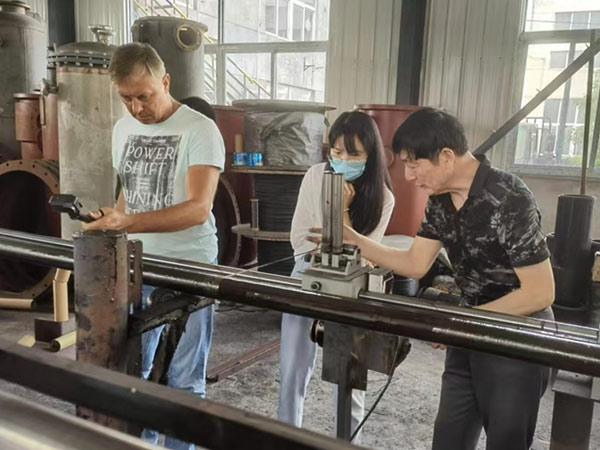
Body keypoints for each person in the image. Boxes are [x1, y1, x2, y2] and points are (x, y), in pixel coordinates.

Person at [327, 107, 554, 450]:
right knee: (450, 436)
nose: (408, 176)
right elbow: (416, 263)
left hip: (516, 337)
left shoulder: (509, 197)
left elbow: (539, 292)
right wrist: (356, 241)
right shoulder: (440, 201)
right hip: (468, 329)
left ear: (446, 156)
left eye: (414, 164)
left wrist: (463, 322)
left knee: (505, 441)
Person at [84, 43, 225, 450]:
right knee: (135, 372)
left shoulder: (199, 130)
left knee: (184, 378)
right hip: (137, 265)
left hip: (190, 268)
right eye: (126, 98)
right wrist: (113, 217)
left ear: (165, 81)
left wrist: (127, 221)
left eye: (144, 96)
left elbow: (198, 208)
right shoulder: (123, 129)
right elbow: (130, 195)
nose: (136, 108)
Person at [278, 110, 395, 441]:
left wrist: (342, 211)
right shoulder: (315, 176)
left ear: (370, 156)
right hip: (307, 273)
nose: (342, 160)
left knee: (349, 378)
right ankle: (285, 437)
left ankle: (348, 443)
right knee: (292, 369)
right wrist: (330, 249)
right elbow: (300, 237)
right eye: (337, 151)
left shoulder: (384, 198)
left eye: (353, 154)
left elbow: (366, 255)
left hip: (352, 287)